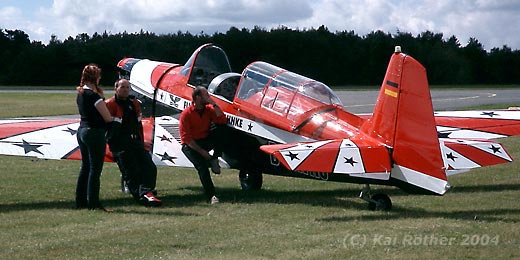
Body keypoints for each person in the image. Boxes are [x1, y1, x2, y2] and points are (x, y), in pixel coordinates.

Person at [105, 79, 162, 207]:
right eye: (122, 87)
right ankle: (142, 196)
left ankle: (147, 191)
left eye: (127, 87)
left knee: (150, 166)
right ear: (116, 89)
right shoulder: (109, 104)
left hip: (134, 141)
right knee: (131, 170)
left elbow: (138, 124)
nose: (125, 89)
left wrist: (141, 142)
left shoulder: (133, 103)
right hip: (120, 144)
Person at [75, 64, 113, 212]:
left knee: (85, 167)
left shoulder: (81, 93)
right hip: (94, 132)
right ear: (95, 77)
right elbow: (107, 117)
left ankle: (80, 201)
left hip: (82, 130)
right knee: (95, 169)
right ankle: (94, 203)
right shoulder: (94, 96)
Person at [180, 87, 227, 204]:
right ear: (198, 98)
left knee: (221, 130)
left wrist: (214, 104)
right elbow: (186, 138)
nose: (209, 97)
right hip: (191, 145)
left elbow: (222, 120)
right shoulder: (186, 114)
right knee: (202, 168)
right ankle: (211, 195)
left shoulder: (208, 110)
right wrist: (202, 152)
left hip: (204, 139)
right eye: (206, 95)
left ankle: (215, 158)